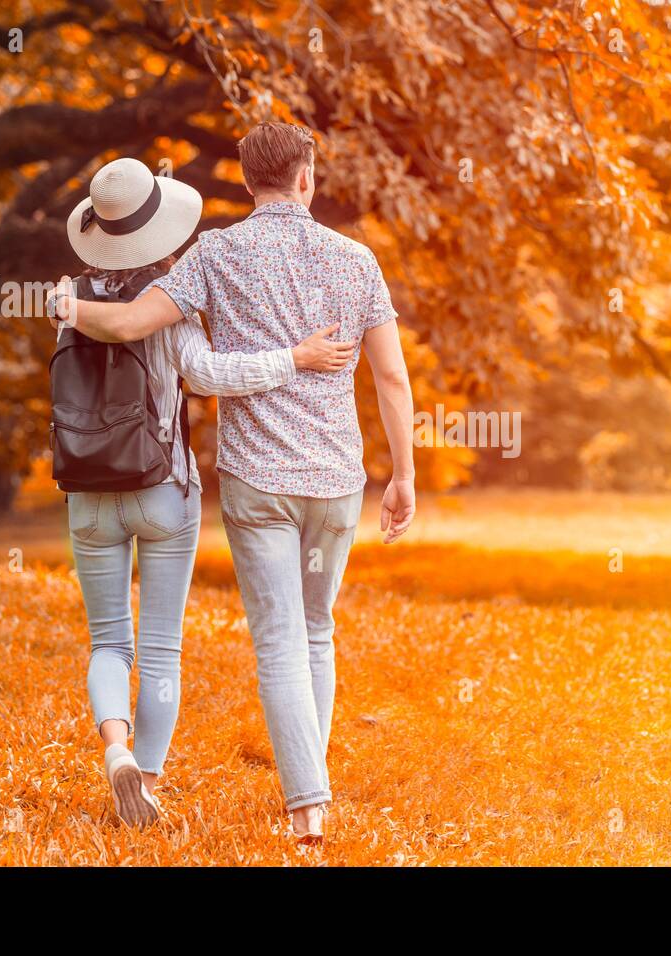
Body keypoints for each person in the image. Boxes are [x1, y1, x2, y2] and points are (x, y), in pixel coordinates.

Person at [50, 122, 416, 843]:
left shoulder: (214, 254)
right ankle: (310, 798)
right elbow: (392, 377)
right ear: (306, 177)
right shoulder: (357, 260)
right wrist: (403, 475)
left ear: (249, 183)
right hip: (337, 478)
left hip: (255, 481)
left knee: (279, 640)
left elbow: (127, 324)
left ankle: (308, 809)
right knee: (317, 631)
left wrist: (68, 307)